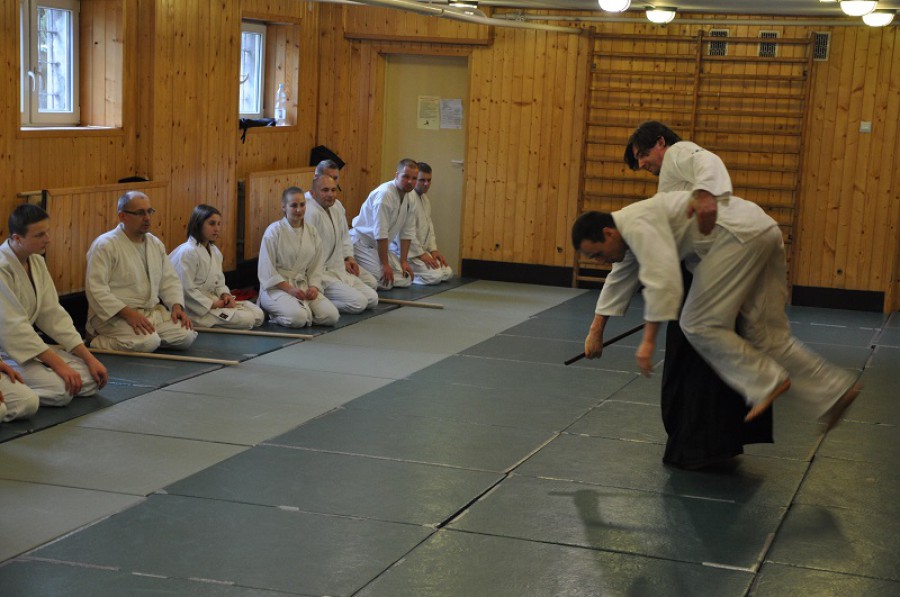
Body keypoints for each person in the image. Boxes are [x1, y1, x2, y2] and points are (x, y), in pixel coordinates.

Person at [572, 195, 861, 430]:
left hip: (735, 240)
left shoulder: (638, 227)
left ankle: (766, 382)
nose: (599, 261)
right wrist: (595, 331)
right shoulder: (626, 232)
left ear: (608, 233)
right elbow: (618, 277)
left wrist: (647, 343)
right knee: (765, 334)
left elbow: (663, 289)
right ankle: (834, 392)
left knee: (697, 322)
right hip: (762, 229)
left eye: (597, 254)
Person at [624, 120, 771, 468]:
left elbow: (709, 162)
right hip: (712, 271)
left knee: (696, 363)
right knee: (706, 358)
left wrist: (705, 195)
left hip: (716, 273)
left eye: (643, 154)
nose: (642, 164)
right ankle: (715, 442)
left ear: (661, 142)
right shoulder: (669, 184)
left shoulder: (679, 153)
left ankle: (701, 445)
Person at [0, 204, 108, 417]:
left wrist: (89, 358)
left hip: (28, 347)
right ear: (17, 238)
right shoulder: (2, 268)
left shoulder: (36, 262)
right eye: (39, 235)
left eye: (47, 232)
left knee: (90, 379)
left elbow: (53, 314)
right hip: (8, 351)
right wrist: (58, 365)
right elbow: (14, 329)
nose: (48, 239)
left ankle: (33, 383)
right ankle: (20, 391)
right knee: (62, 391)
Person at [86, 191, 197, 352]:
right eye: (140, 213)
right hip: (114, 316)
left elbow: (169, 279)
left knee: (186, 336)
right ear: (122, 216)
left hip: (150, 313)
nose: (147, 218)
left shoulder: (154, 243)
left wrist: (176, 306)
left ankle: (149, 338)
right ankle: (96, 339)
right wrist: (128, 314)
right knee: (148, 342)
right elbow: (96, 289)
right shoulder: (105, 245)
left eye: (149, 211)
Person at [169, 204, 264, 329]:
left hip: (214, 300)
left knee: (258, 314)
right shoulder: (187, 252)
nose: (217, 229)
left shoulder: (215, 251)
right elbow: (185, 291)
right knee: (247, 319)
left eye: (219, 224)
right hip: (195, 309)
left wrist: (225, 295)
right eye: (212, 223)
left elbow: (219, 282)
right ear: (198, 224)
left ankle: (221, 320)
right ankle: (201, 322)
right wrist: (214, 304)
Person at [258, 186, 339, 328]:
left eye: (302, 205)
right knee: (298, 319)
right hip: (276, 288)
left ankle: (305, 313)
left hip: (302, 286)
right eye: (294, 205)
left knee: (332, 316)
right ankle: (274, 314)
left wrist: (314, 287)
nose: (299, 210)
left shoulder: (312, 232)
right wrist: (290, 289)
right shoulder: (274, 232)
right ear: (284, 207)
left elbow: (317, 266)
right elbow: (267, 271)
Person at [305, 173, 379, 313]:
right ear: (313, 193)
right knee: (359, 303)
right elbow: (308, 252)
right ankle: (320, 304)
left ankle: (333, 298)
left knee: (372, 299)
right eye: (325, 190)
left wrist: (349, 257)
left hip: (338, 268)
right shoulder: (310, 212)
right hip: (322, 274)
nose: (330, 194)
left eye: (333, 190)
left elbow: (344, 236)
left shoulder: (336, 207)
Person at [350, 159, 419, 289]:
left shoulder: (411, 197)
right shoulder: (384, 195)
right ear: (397, 175)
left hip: (379, 247)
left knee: (406, 278)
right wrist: (384, 264)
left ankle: (368, 268)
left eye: (414, 178)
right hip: (362, 243)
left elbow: (407, 232)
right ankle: (354, 268)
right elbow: (381, 233)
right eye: (406, 177)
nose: (410, 181)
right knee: (385, 282)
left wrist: (404, 261)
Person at [395, 162, 453, 285]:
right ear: (415, 179)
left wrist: (433, 250)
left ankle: (417, 271)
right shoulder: (408, 199)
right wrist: (420, 254)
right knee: (435, 277)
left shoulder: (425, 200)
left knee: (447, 273)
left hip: (420, 251)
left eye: (429, 180)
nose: (426, 184)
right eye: (422, 180)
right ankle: (409, 276)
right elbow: (405, 232)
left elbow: (429, 228)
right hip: (408, 253)